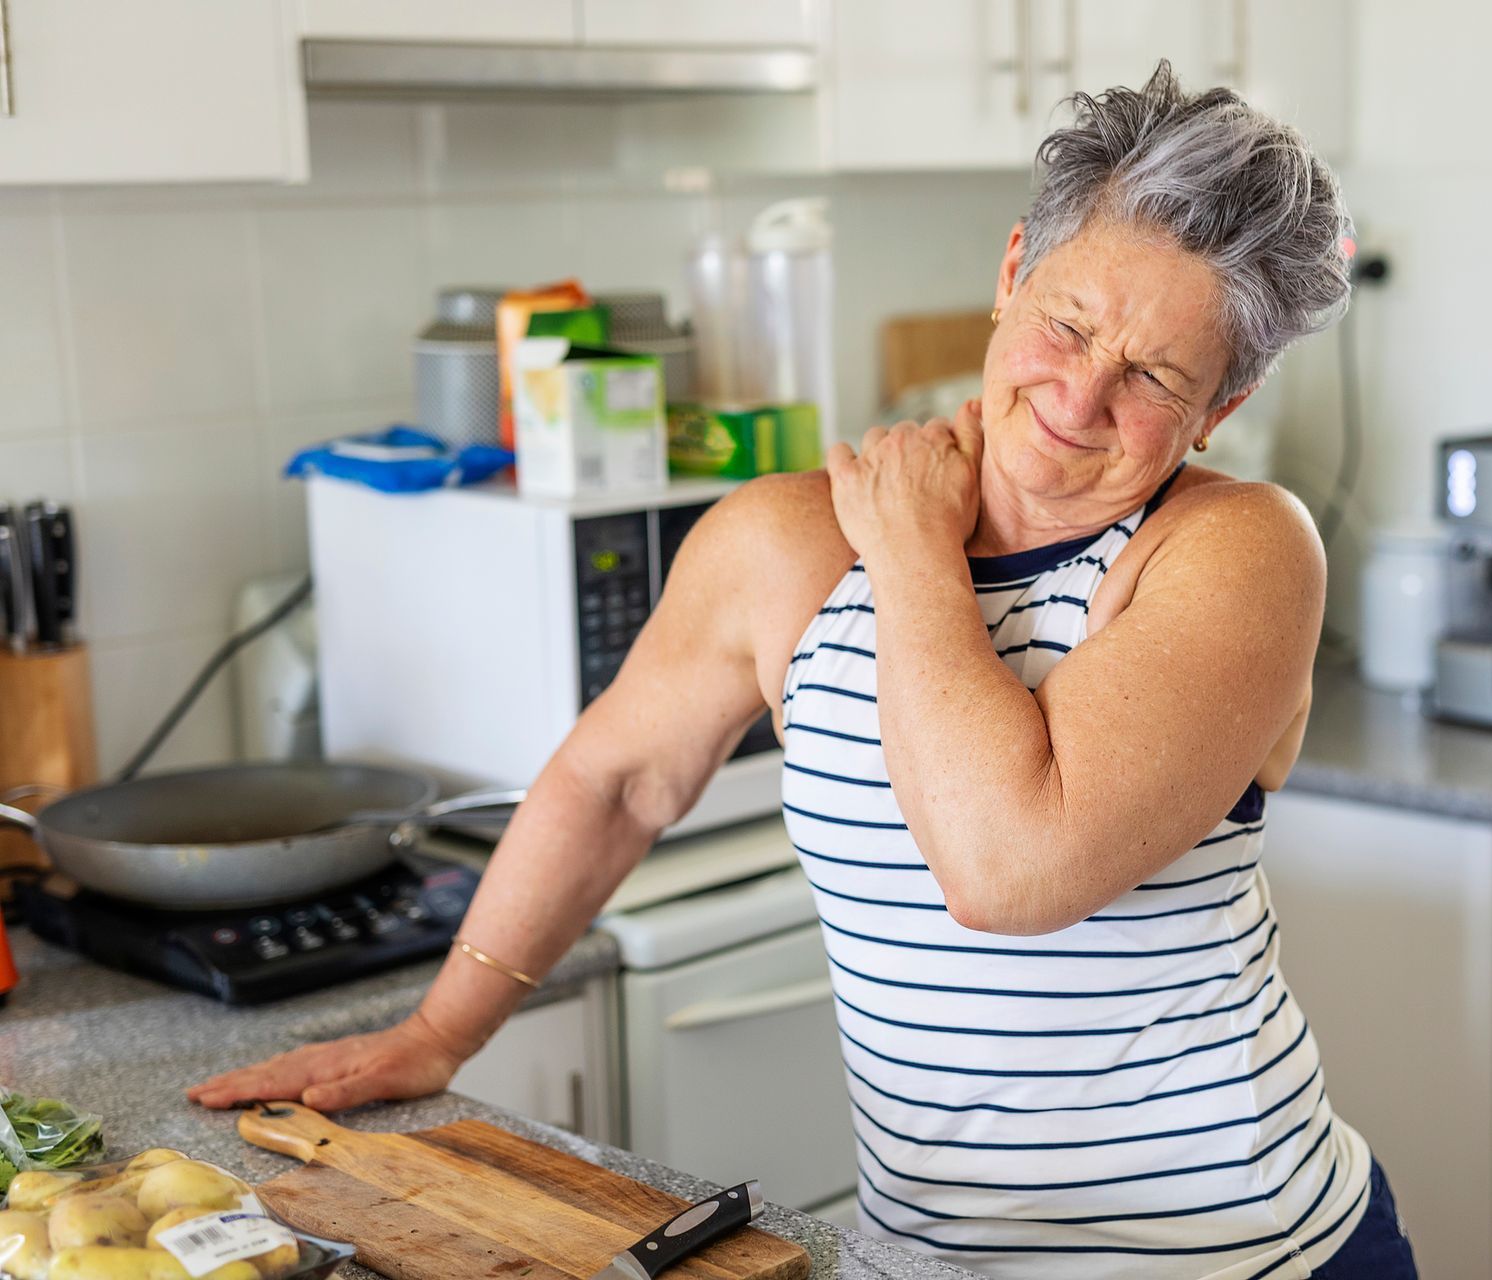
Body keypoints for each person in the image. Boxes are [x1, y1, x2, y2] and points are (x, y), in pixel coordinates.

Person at [192, 63, 1418, 1280]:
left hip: (1242, 1255)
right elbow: (615, 780)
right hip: (932, 1257)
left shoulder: (1235, 549)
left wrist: (912, 557)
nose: (1080, 396)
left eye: (1153, 376)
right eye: (1069, 322)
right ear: (1009, 276)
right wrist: (441, 1028)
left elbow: (1007, 869)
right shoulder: (782, 542)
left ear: (1224, 403)